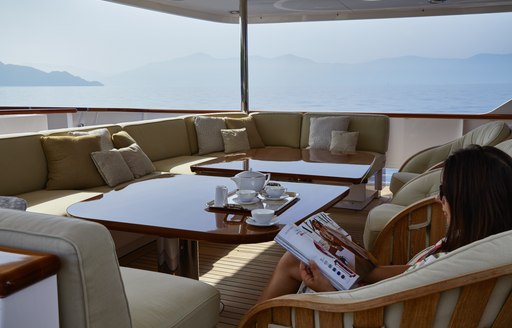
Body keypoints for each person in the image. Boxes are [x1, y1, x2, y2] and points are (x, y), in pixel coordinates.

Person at [259, 145, 512, 302]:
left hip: (364, 310)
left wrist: (325, 289)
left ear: (468, 201)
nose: (438, 198)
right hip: (388, 296)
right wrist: (367, 267)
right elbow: (416, 275)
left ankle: (254, 322)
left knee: (293, 260)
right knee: (302, 257)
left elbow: (366, 310)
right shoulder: (481, 245)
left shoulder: (457, 261)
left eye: (444, 190)